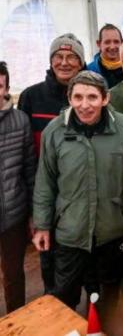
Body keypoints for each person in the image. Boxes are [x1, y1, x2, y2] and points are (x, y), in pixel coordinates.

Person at [32, 71, 123, 324]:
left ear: (105, 99)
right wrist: (42, 225)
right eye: (78, 97)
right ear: (69, 98)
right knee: (64, 298)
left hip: (112, 233)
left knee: (107, 299)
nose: (84, 104)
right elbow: (45, 182)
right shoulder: (55, 131)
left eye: (92, 97)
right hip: (69, 233)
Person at [18, 33, 86, 293]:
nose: (65, 62)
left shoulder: (88, 97)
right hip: (45, 198)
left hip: (79, 199)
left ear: (81, 63)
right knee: (50, 266)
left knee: (85, 268)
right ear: (50, 60)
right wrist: (33, 209)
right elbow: (25, 155)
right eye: (59, 56)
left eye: (72, 57)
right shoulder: (31, 97)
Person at [0, 61, 37, 313]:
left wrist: (34, 212)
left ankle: (17, 320)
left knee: (13, 274)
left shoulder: (20, 121)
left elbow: (29, 169)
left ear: (6, 88)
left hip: (12, 213)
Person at [87, 24, 123, 88]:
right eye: (107, 42)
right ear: (98, 44)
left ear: (122, 43)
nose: (112, 47)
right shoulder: (89, 71)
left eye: (116, 42)